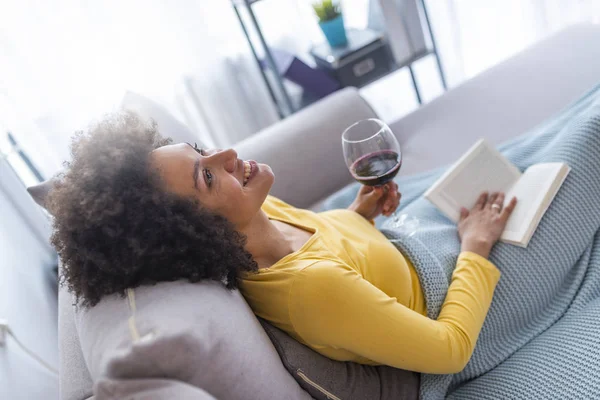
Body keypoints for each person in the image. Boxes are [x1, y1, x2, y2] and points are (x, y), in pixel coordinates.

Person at [49, 112, 516, 375]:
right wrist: (476, 246)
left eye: (197, 149)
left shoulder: (260, 212)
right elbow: (450, 350)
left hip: (429, 240)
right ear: (192, 233)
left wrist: (359, 215)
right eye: (207, 175)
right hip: (468, 287)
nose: (227, 154)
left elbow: (336, 251)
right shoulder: (310, 293)